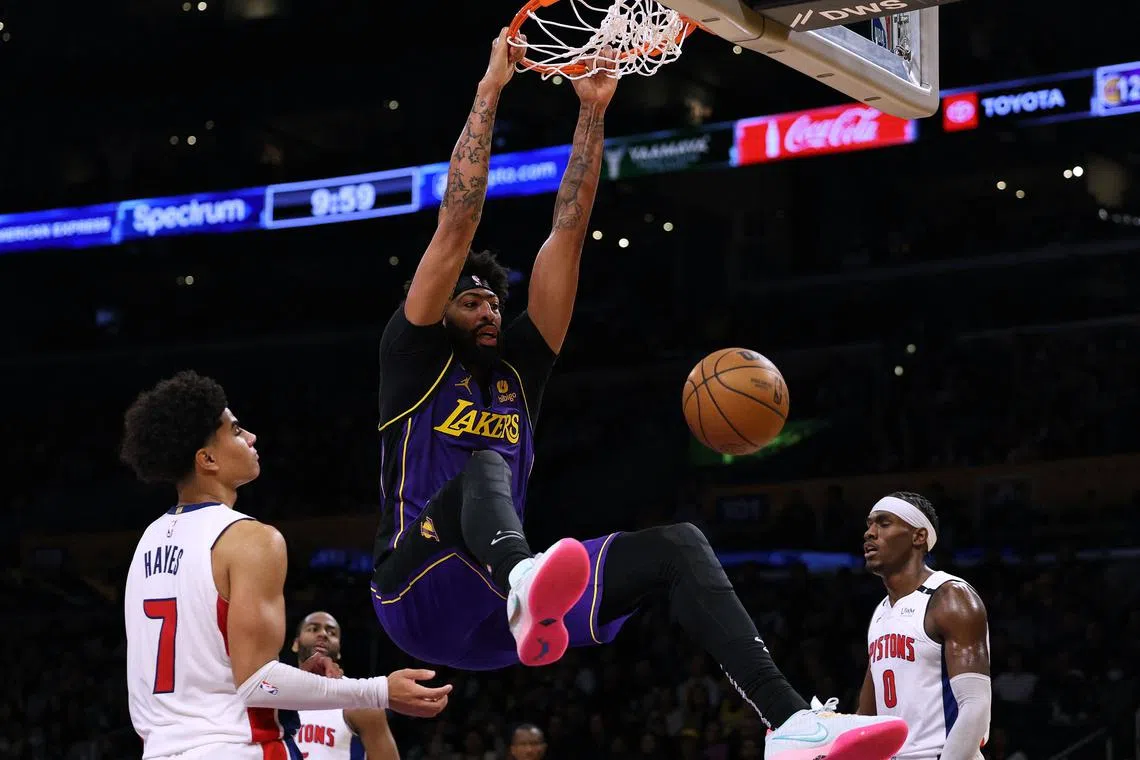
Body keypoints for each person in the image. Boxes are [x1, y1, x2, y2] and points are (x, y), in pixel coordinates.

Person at [372, 27, 908, 760]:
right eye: (472, 302)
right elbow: (456, 222)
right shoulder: (413, 356)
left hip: (501, 623)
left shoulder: (519, 372)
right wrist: (490, 91)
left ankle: (788, 723)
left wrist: (592, 111)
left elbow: (568, 232)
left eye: (496, 302)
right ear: (439, 310)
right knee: (481, 469)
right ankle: (525, 578)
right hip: (415, 591)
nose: (490, 311)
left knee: (679, 546)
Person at [121, 371, 450, 760]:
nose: (251, 437)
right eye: (236, 430)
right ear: (207, 459)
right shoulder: (251, 539)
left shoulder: (146, 544)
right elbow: (258, 683)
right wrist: (379, 690)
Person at [859, 492, 992, 760]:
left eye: (884, 523)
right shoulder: (881, 612)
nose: (869, 533)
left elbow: (976, 705)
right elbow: (867, 716)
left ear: (918, 537)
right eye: (869, 524)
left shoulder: (950, 596)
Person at [292, 611, 401, 760]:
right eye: (313, 629)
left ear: (339, 651)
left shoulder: (360, 702)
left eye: (331, 633)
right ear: (296, 644)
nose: (323, 634)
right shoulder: (272, 698)